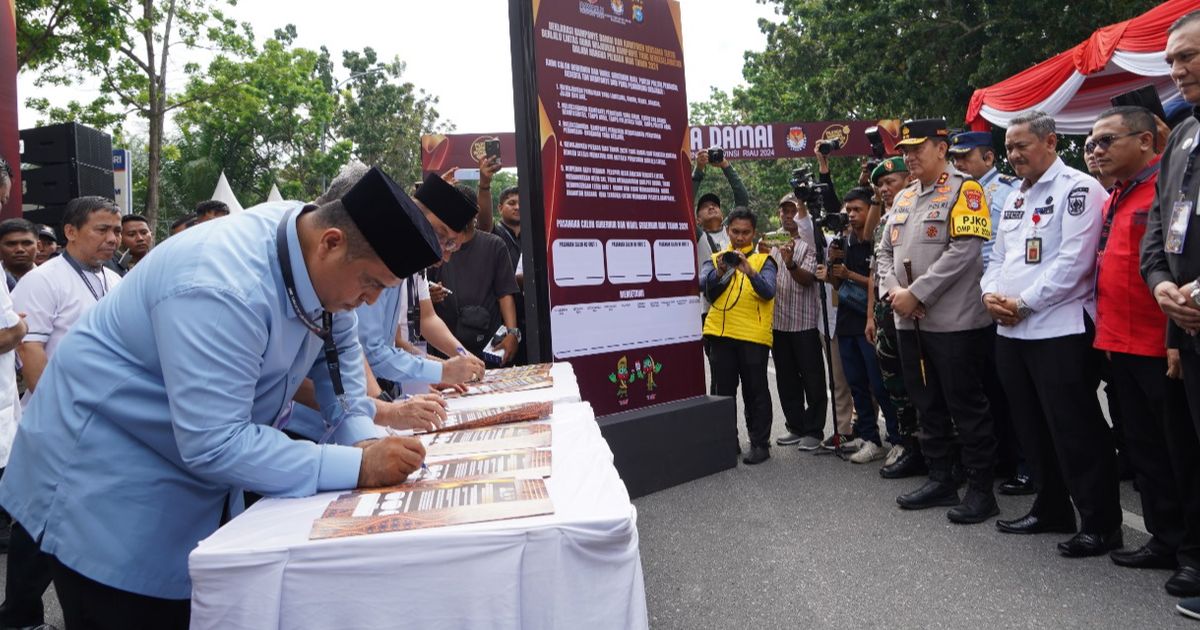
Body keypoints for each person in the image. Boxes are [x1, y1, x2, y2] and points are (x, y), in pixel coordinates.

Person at [0, 167, 441, 627]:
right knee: (134, 611)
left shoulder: (309, 245)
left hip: (187, 473)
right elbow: (216, 442)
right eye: (370, 283)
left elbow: (341, 370)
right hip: (104, 482)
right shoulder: (219, 284)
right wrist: (360, 465)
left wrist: (362, 438)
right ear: (331, 242)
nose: (370, 301)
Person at [981, 110, 1121, 556]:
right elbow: (998, 258)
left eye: (1022, 145)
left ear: (1051, 142)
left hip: (1059, 330)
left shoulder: (1079, 189)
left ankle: (1100, 523)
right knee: (1031, 428)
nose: (1014, 155)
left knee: (1075, 429)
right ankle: (1051, 507)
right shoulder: (1017, 197)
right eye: (1008, 148)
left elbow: (1075, 263)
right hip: (1011, 334)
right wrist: (991, 296)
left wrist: (1023, 304)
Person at [283, 168, 484, 442]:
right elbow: (368, 350)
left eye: (452, 246)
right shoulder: (363, 262)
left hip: (339, 415)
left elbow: (362, 347)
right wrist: (387, 409)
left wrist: (451, 360)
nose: (442, 253)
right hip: (299, 427)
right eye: (441, 236)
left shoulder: (385, 270)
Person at [1091, 106, 1200, 595]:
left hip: (1165, 347)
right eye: (1092, 143)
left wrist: (1173, 341)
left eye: (1106, 141)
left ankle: (1191, 551)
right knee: (1144, 451)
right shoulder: (1118, 195)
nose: (1096, 151)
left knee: (1181, 455)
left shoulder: (1164, 183)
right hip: (1121, 344)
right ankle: (1163, 537)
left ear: (1146, 140)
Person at [1, 196, 124, 629]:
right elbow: (29, 346)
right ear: (70, 232)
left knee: (81, 523)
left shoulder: (113, 278)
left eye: (116, 229)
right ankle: (18, 616)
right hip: (58, 422)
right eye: (102, 229)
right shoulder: (44, 279)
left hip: (105, 421)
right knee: (39, 523)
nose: (113, 238)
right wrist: (60, 412)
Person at [877, 118, 999, 525]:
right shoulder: (904, 198)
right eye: (905, 151)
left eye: (918, 149)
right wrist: (894, 293)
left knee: (966, 406)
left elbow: (965, 252)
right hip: (908, 323)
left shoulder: (967, 191)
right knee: (925, 404)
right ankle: (941, 477)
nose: (909, 157)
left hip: (955, 323)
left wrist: (917, 294)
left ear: (942, 149)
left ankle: (982, 490)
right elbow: (882, 254)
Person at [1146, 12, 1200, 611]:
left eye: (1188, 56)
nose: (1177, 71)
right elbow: (1162, 223)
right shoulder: (1183, 134)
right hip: (1184, 319)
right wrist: (1162, 283)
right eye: (1172, 61)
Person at [949, 131, 1030, 496]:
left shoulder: (1008, 190)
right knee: (987, 385)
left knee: (1011, 388)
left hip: (1001, 299)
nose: (959, 164)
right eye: (955, 158)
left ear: (989, 158)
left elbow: (1008, 248)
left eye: (966, 157)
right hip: (970, 300)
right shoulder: (956, 192)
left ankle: (1026, 464)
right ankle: (1001, 457)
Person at [818, 188, 899, 465]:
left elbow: (880, 282)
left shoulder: (875, 241)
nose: (851, 215)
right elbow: (839, 285)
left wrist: (850, 274)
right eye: (848, 210)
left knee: (879, 384)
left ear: (870, 210)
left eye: (857, 210)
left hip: (871, 321)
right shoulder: (842, 240)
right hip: (845, 322)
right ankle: (869, 438)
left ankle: (898, 440)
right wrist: (831, 272)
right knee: (857, 385)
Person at [864, 157, 924, 478]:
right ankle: (908, 443)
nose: (885, 189)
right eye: (881, 185)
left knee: (920, 382)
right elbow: (877, 270)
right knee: (894, 382)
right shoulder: (887, 219)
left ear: (910, 180)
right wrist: (872, 315)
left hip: (914, 309)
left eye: (891, 182)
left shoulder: (918, 210)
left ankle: (933, 450)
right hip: (886, 312)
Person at [701, 207, 777, 465]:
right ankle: (726, 441)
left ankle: (759, 443)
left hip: (752, 336)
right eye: (735, 232)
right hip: (720, 334)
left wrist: (749, 271)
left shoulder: (764, 261)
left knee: (756, 391)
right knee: (722, 392)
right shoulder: (715, 259)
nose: (740, 237)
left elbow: (768, 291)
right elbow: (705, 288)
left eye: (746, 232)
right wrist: (722, 271)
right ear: (727, 231)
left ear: (754, 233)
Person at [428, 186, 520, 364]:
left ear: (475, 211)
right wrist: (429, 295)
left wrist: (512, 332)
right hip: (444, 345)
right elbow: (420, 293)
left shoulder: (494, 245)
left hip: (488, 345)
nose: (448, 253)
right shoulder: (435, 246)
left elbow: (505, 293)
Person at [767, 193, 826, 451]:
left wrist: (790, 263)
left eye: (793, 210)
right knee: (786, 378)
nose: (789, 215)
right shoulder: (770, 240)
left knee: (812, 378)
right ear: (779, 213)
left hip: (804, 322)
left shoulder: (811, 241)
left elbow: (807, 278)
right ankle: (796, 425)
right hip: (778, 323)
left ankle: (814, 430)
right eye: (784, 211)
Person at [476, 157, 527, 364]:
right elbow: (484, 221)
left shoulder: (536, 237)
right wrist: (485, 185)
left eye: (521, 203)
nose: (517, 207)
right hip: (502, 322)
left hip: (533, 317)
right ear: (500, 208)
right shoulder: (494, 234)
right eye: (511, 203)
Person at [0, 219, 38, 289]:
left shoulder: (51, 278)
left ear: (38, 246)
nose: (19, 249)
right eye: (11, 244)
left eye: (27, 243)